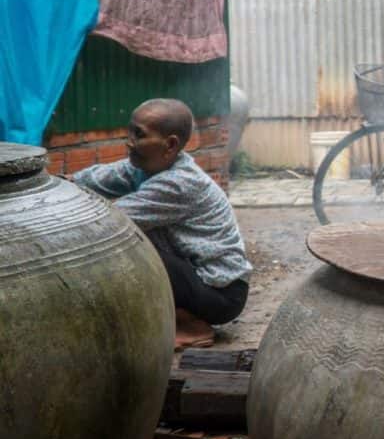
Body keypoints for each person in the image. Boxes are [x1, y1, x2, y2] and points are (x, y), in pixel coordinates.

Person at [73, 98, 252, 351]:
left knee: (127, 241)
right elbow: (94, 179)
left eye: (139, 135)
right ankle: (177, 315)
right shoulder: (146, 166)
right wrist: (60, 182)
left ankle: (191, 325)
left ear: (170, 145)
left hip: (222, 294)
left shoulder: (178, 183)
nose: (129, 141)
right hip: (197, 278)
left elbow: (108, 221)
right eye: (130, 131)